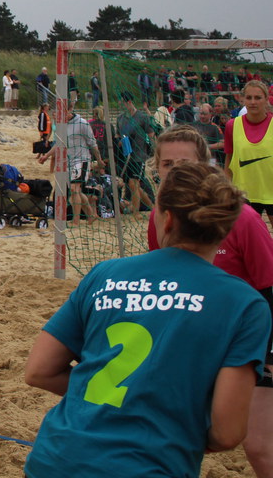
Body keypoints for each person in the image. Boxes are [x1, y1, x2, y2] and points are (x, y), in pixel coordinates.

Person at [24, 160, 269, 478]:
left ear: (166, 220)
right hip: (149, 464)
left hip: (56, 457)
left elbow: (39, 371)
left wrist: (118, 399)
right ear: (226, 225)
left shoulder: (105, 274)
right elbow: (227, 432)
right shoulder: (245, 304)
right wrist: (162, 415)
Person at [144, 125, 273, 476]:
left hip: (250, 338)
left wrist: (267, 355)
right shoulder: (160, 219)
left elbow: (269, 287)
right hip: (196, 339)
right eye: (168, 164)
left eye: (185, 164)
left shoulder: (242, 219)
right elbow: (165, 285)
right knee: (169, 433)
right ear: (157, 168)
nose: (176, 172)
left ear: (205, 165)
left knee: (259, 446)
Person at [226, 79, 273, 222]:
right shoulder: (232, 125)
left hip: (271, 193)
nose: (253, 102)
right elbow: (229, 160)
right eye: (249, 97)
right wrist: (226, 189)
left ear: (266, 99)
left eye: (258, 98)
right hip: (244, 194)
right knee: (245, 235)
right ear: (243, 100)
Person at [66, 108, 104, 224]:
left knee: (74, 189)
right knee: (76, 191)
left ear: (69, 110)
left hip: (82, 160)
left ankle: (76, 220)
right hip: (69, 161)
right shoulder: (61, 125)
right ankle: (91, 215)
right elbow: (58, 144)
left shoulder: (82, 123)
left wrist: (99, 160)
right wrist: (46, 156)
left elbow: (92, 143)